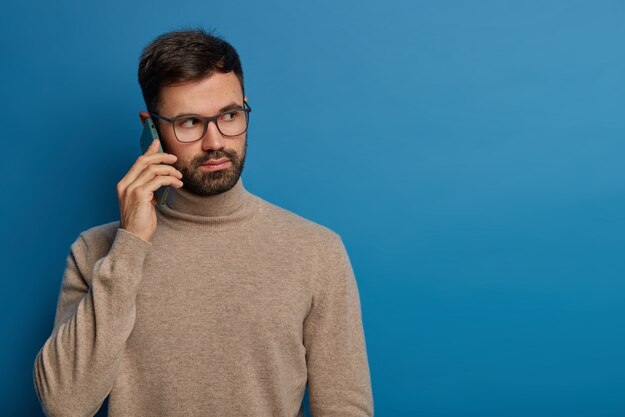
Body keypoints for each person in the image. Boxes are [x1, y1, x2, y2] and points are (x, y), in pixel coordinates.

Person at [33, 28, 373, 417]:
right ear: (151, 128)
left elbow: (346, 408)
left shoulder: (317, 251)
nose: (215, 141)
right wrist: (130, 243)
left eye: (229, 115)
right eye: (190, 122)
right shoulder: (97, 250)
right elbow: (64, 405)